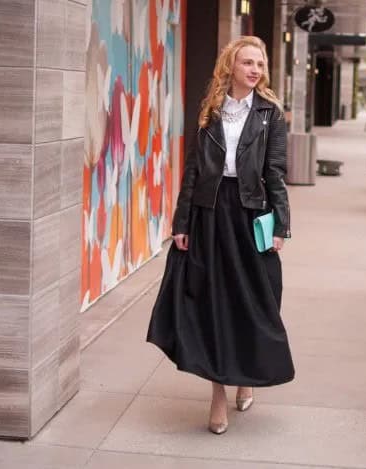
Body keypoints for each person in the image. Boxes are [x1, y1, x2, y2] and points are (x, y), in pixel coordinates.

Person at [146, 36, 295, 435]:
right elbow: (193, 170)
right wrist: (181, 223)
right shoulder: (211, 110)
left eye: (260, 65)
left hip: (250, 214)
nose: (255, 70)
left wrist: (280, 225)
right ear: (231, 66)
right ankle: (217, 396)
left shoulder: (269, 113)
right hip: (210, 214)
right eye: (248, 62)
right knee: (213, 304)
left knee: (254, 301)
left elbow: (275, 172)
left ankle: (245, 377)